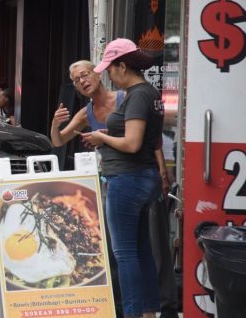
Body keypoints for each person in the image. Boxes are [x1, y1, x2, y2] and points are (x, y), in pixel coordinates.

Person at [50, 60, 178, 317]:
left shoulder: (126, 98)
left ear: (98, 73)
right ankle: (148, 311)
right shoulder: (86, 112)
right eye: (76, 80)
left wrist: (162, 171)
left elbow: (149, 138)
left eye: (85, 74)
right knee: (138, 249)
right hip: (118, 180)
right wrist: (55, 123)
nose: (82, 81)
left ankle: (143, 310)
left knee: (133, 251)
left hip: (134, 179)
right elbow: (58, 140)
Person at [82, 39, 164, 318]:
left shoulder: (138, 95)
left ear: (123, 66)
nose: (109, 75)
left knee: (125, 253)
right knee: (140, 250)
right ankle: (149, 312)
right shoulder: (148, 93)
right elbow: (146, 141)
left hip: (127, 179)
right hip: (142, 177)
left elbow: (132, 143)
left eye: (110, 69)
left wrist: (101, 137)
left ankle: (132, 313)